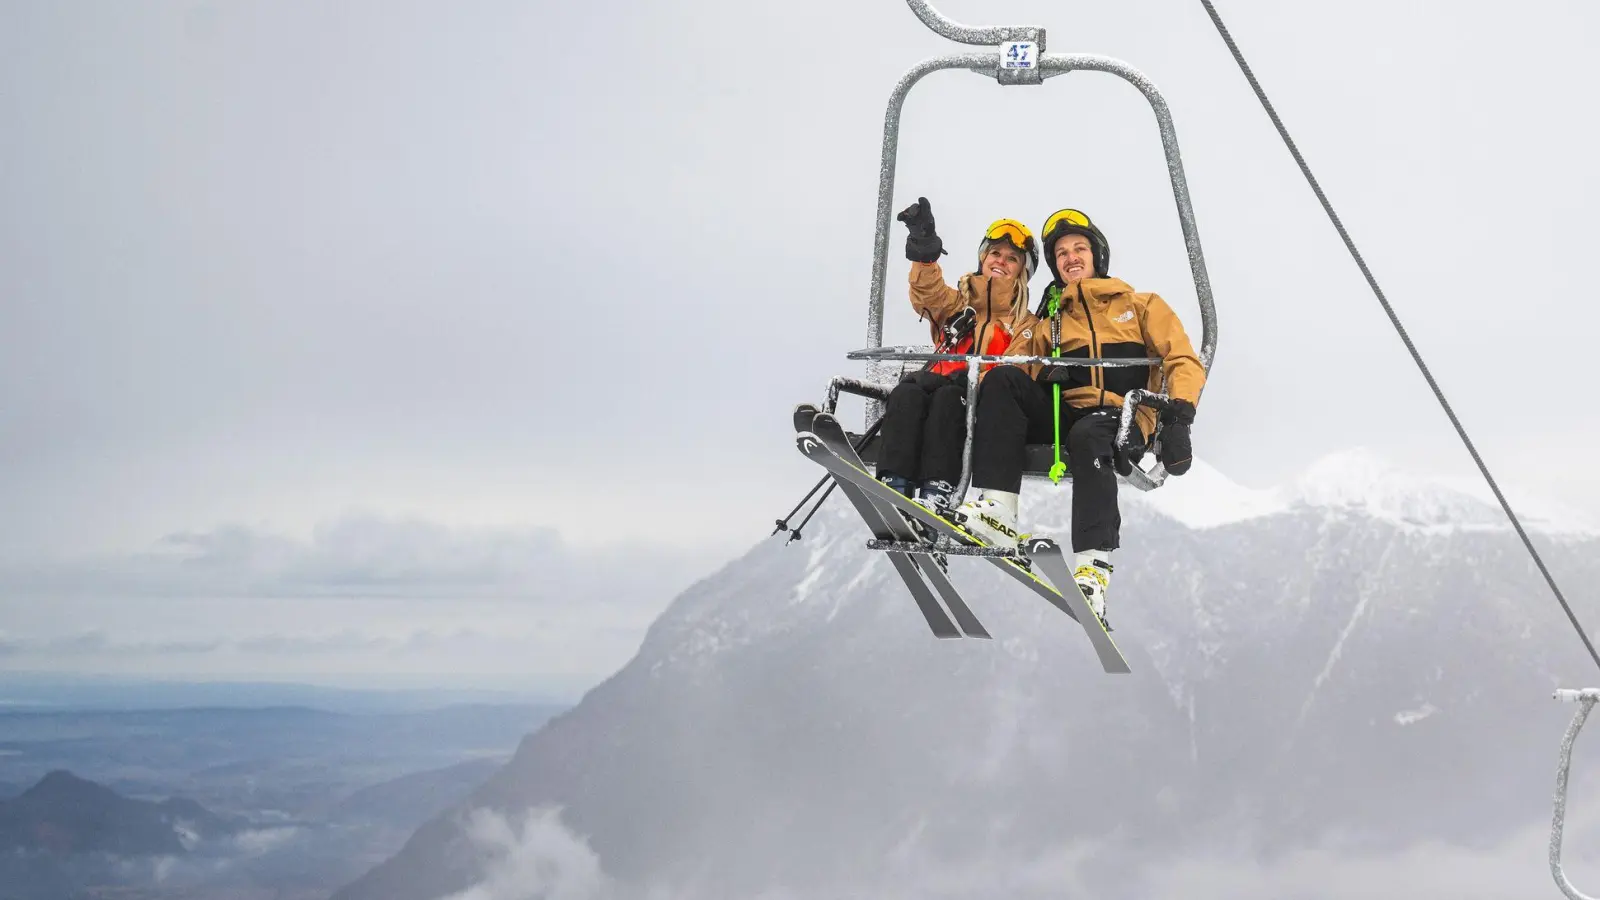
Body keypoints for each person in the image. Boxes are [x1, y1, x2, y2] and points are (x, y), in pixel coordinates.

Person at [951, 208, 1205, 624]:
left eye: (1079, 249)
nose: (1070, 258)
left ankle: (1093, 567)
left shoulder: (1141, 305)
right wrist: (1039, 367)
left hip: (1124, 415)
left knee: (1090, 435)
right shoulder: (1050, 323)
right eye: (1062, 253)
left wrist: (1179, 416)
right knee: (1001, 382)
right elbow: (1013, 362)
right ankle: (997, 509)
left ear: (1096, 255)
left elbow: (1181, 359)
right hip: (1067, 414)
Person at [875, 197, 1039, 520]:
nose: (1000, 262)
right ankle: (894, 486)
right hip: (932, 393)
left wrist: (972, 380)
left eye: (1011, 258)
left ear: (1023, 270)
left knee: (950, 397)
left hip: (975, 408)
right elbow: (929, 294)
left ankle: (938, 493)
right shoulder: (958, 307)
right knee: (907, 393)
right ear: (982, 257)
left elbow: (1019, 369)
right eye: (994, 253)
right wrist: (925, 253)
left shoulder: (1025, 324)